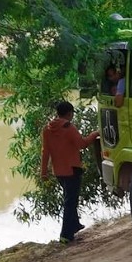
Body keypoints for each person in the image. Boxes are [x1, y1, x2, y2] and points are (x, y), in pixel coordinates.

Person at [40, 101, 100, 243]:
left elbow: (45, 152)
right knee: (70, 202)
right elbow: (82, 144)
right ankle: (65, 236)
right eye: (72, 113)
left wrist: (44, 172)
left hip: (58, 171)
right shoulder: (69, 128)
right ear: (69, 113)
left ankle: (74, 225)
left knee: (69, 198)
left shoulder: (47, 129)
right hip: (72, 169)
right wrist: (94, 134)